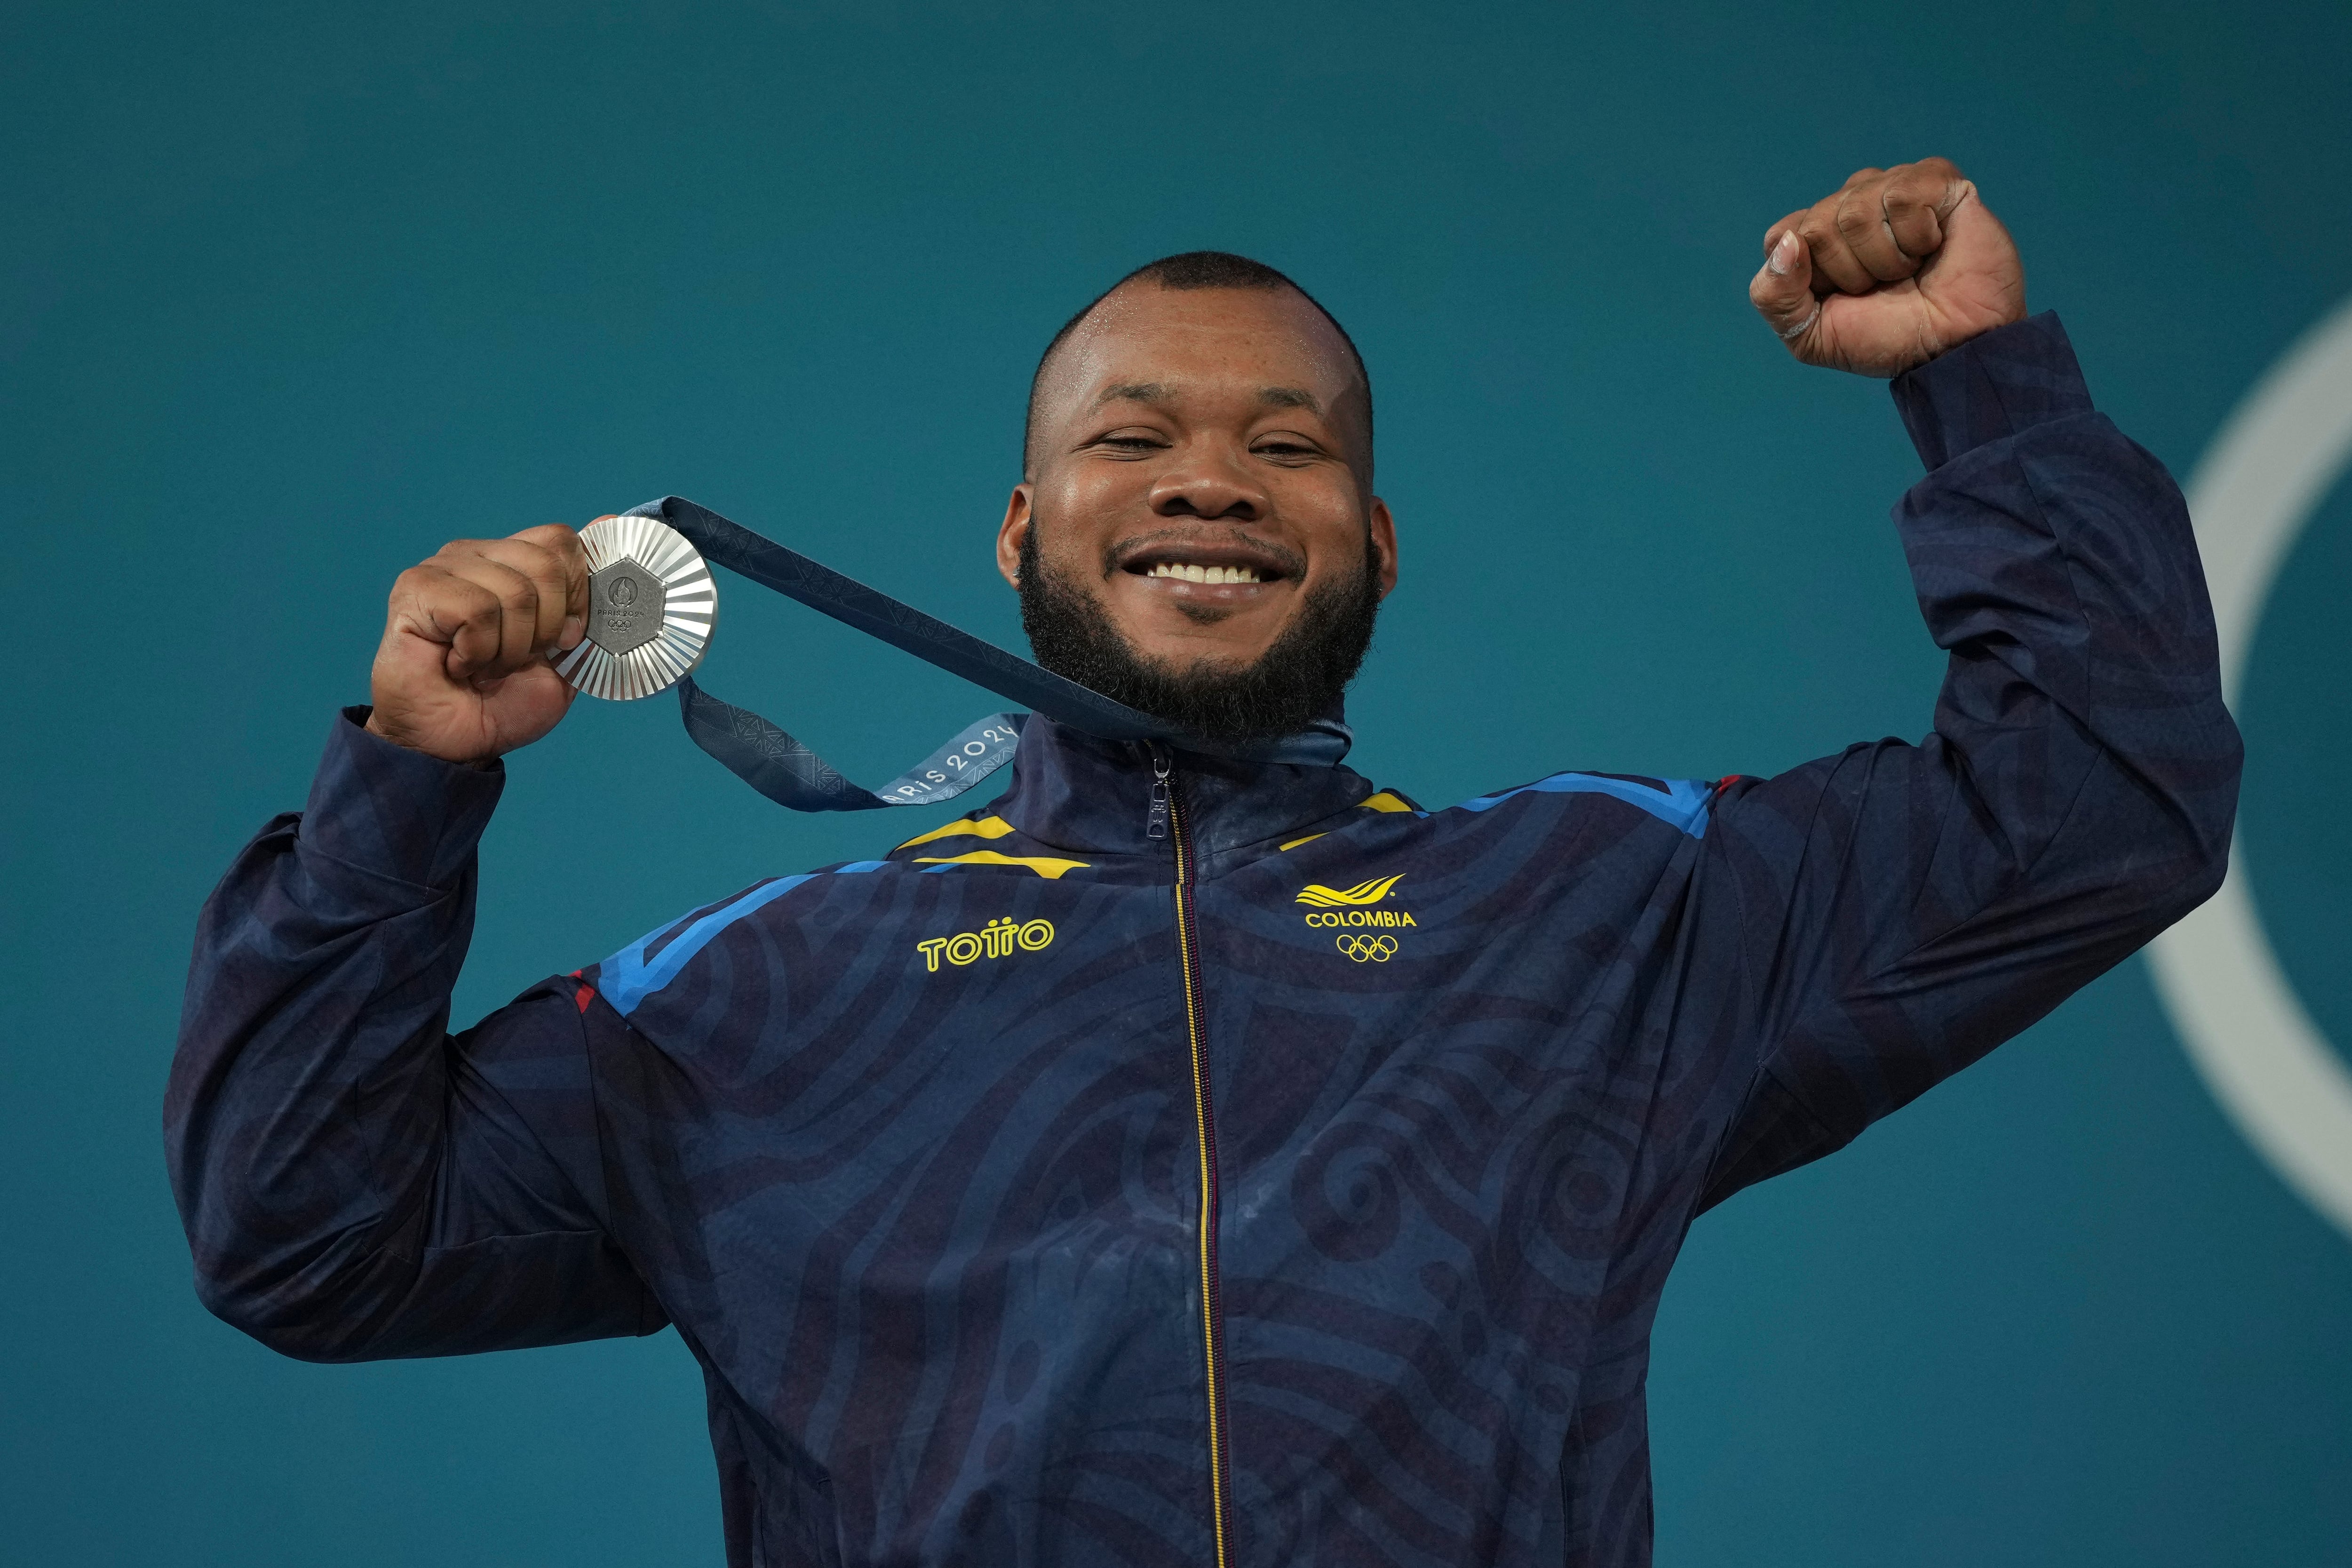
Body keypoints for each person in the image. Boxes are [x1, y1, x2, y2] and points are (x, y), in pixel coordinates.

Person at [167, 158, 2242, 1568]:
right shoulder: (741, 1004)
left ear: (1376, 545)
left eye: (1289, 445)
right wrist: (406, 782)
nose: (1206, 479)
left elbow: (2097, 800)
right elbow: (306, 1240)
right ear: (1014, 533)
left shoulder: (1612, 914)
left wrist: (1980, 382)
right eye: (1129, 435)